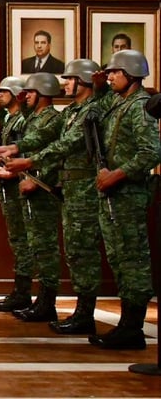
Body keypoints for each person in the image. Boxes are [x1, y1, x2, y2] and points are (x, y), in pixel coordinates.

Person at [3, 60, 105, 335]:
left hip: (84, 188)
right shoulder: (71, 111)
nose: (66, 84)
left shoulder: (92, 110)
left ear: (84, 81)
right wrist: (18, 147)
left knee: (82, 251)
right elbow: (47, 135)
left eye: (71, 79)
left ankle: (85, 314)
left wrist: (29, 161)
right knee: (73, 250)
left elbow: (68, 143)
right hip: (71, 189)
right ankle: (64, 307)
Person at [87, 50, 160, 349]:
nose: (110, 76)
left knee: (133, 260)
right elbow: (93, 112)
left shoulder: (139, 105)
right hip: (112, 194)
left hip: (128, 193)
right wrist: (99, 87)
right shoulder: (117, 103)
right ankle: (127, 325)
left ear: (131, 74)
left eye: (115, 72)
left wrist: (117, 174)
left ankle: (133, 327)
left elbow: (151, 152)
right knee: (119, 258)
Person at [0, 72, 62, 323]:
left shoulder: (52, 119)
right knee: (31, 243)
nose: (26, 96)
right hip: (27, 184)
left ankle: (46, 301)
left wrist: (35, 176)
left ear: (43, 93)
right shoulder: (33, 118)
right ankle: (30, 296)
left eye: (30, 92)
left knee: (44, 247)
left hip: (42, 189)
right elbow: (31, 143)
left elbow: (54, 153)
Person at [0, 76, 33, 313]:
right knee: (17, 239)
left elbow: (27, 150)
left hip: (18, 186)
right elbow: (6, 125)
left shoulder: (24, 120)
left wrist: (14, 173)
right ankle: (20, 290)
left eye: (4, 92)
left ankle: (23, 292)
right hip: (8, 186)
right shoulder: (11, 118)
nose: (0, 94)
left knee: (23, 240)